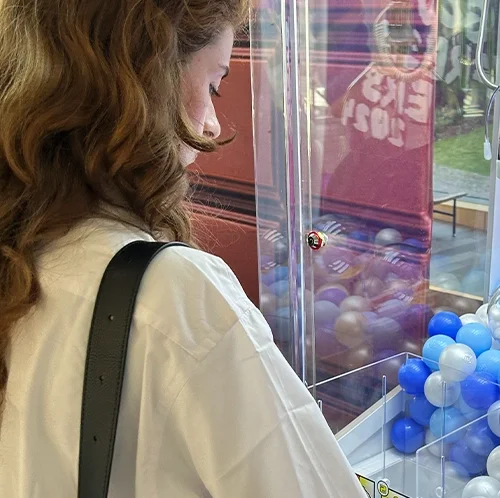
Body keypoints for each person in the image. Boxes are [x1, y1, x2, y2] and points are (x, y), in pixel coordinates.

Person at [0, 1, 365, 496]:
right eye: (213, 85)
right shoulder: (175, 294)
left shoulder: (22, 255)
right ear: (144, 79)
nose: (211, 126)